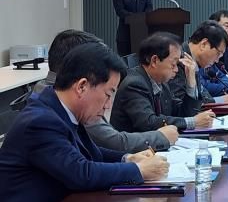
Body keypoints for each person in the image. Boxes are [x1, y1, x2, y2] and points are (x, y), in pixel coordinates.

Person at [0, 43, 169, 202]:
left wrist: (127, 158)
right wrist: (138, 170)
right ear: (82, 86)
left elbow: (91, 153)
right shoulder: (40, 121)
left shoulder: (60, 110)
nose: (108, 105)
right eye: (108, 94)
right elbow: (81, 173)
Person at [35, 29, 178, 152]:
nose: (108, 104)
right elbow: (112, 144)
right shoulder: (69, 101)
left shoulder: (46, 90)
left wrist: (127, 160)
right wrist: (160, 137)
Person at [109, 32, 215, 132]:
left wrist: (191, 84)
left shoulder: (162, 84)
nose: (177, 70)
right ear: (154, 60)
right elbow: (149, 122)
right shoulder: (134, 84)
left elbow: (181, 113)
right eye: (173, 64)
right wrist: (193, 122)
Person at [168, 20, 228, 105]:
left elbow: (202, 94)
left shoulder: (194, 60)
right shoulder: (180, 61)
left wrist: (217, 100)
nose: (217, 60)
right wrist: (218, 101)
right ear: (204, 44)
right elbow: (178, 106)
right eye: (218, 53)